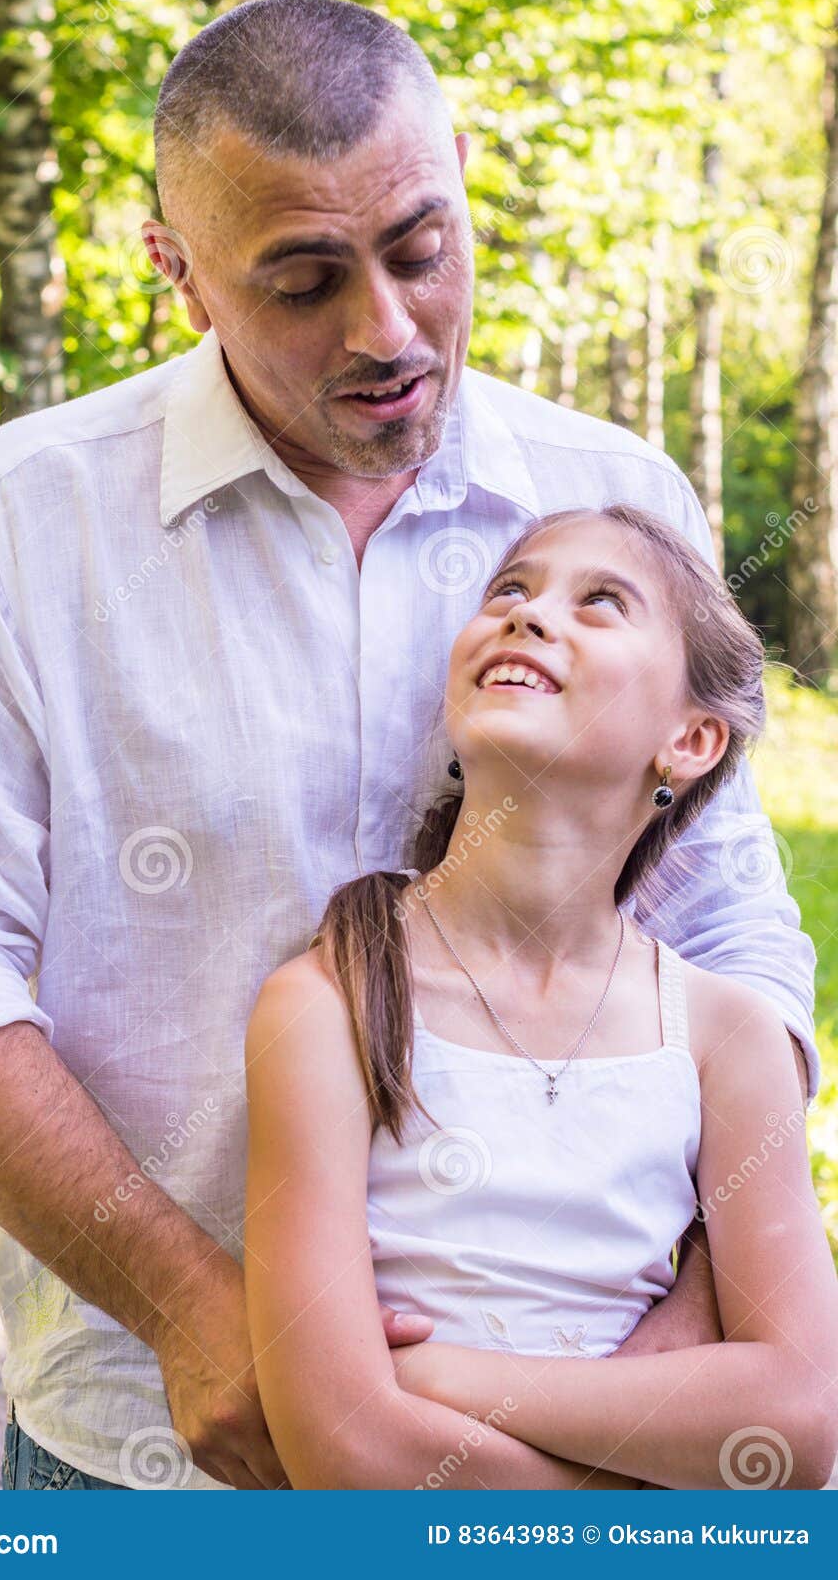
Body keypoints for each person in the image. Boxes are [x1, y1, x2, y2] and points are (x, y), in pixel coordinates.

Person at [0, 0, 817, 1493]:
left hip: (611, 1448)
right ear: (178, 272)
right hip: (148, 1450)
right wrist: (193, 1306)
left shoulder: (612, 493)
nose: (387, 329)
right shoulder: (22, 518)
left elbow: (730, 925)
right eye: (301, 281)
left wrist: (697, 1321)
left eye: (421, 246)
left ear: (462, 173)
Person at [244, 502, 838, 1490]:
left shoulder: (721, 1037)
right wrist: (651, 1488)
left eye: (599, 603)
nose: (527, 614)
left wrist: (440, 1376)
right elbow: (342, 1451)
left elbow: (801, 1418)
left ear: (689, 739)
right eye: (507, 591)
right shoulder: (329, 1003)